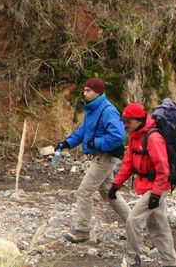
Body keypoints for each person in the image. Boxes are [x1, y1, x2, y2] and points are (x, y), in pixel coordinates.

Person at [56, 77, 130, 243]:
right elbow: (83, 132)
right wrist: (67, 143)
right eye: (84, 90)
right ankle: (135, 225)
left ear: (98, 92)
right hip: (100, 156)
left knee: (84, 192)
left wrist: (95, 142)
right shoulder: (92, 109)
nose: (85, 93)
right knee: (108, 192)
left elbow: (119, 137)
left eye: (88, 91)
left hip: (105, 157)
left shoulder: (107, 110)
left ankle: (82, 232)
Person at [110, 103, 176, 267]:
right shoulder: (134, 136)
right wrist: (115, 185)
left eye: (128, 121)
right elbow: (128, 164)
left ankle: (133, 260)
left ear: (139, 120)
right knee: (159, 227)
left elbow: (163, 168)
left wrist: (156, 194)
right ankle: (170, 262)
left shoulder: (153, 138)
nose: (125, 124)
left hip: (157, 187)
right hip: (149, 186)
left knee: (133, 220)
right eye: (123, 120)